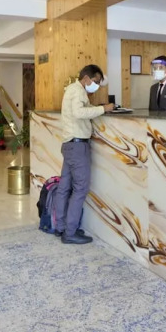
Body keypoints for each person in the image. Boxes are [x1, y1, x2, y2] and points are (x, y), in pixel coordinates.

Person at [52, 64, 115, 245]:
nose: (97, 85)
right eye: (96, 81)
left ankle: (61, 227)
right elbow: (79, 113)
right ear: (86, 78)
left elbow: (79, 111)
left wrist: (97, 107)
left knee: (65, 187)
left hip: (69, 145)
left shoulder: (73, 90)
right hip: (78, 146)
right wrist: (104, 109)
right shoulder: (78, 90)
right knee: (80, 189)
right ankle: (70, 232)